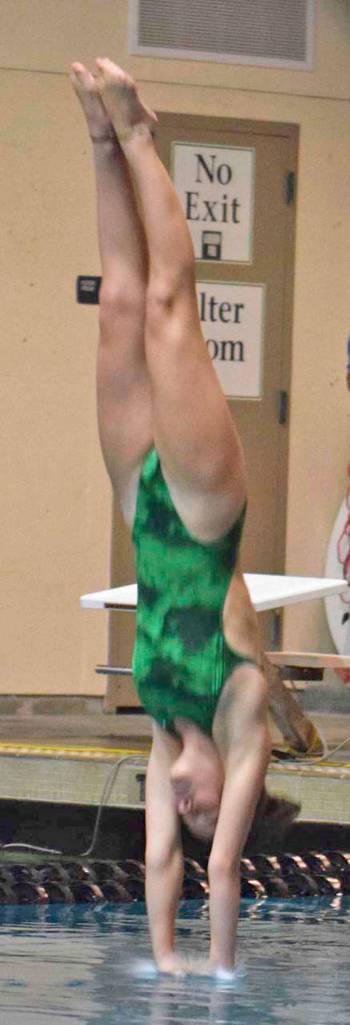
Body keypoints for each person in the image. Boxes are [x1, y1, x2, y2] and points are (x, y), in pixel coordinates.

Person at [71, 58, 274, 975]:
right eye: (201, 808)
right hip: (201, 508)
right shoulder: (243, 709)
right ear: (229, 785)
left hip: (139, 503)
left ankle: (99, 140)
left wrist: (166, 967)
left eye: (183, 809)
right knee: (164, 311)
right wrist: (223, 972)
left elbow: (162, 859)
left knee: (115, 302)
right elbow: (221, 865)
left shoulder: (158, 724)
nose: (186, 811)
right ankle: (144, 132)